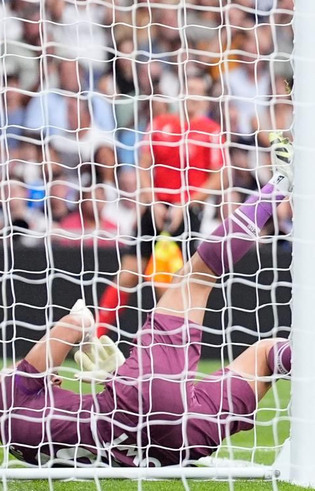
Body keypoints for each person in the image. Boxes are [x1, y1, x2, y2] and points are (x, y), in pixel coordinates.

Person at [0, 173, 315, 468]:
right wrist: (87, 347)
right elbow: (77, 322)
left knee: (265, 357)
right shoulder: (10, 395)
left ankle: (306, 352)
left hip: (177, 449)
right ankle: (281, 182)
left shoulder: (18, 443)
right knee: (197, 276)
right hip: (138, 403)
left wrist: (104, 374)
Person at [94, 76, 228, 336]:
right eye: (190, 89)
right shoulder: (160, 124)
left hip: (188, 212)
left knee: (172, 281)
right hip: (155, 206)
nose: (194, 96)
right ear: (181, 94)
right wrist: (151, 200)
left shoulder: (211, 131)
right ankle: (96, 335)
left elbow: (219, 177)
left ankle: (170, 343)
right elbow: (144, 164)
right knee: (130, 273)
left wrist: (186, 203)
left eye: (199, 92)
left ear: (205, 99)